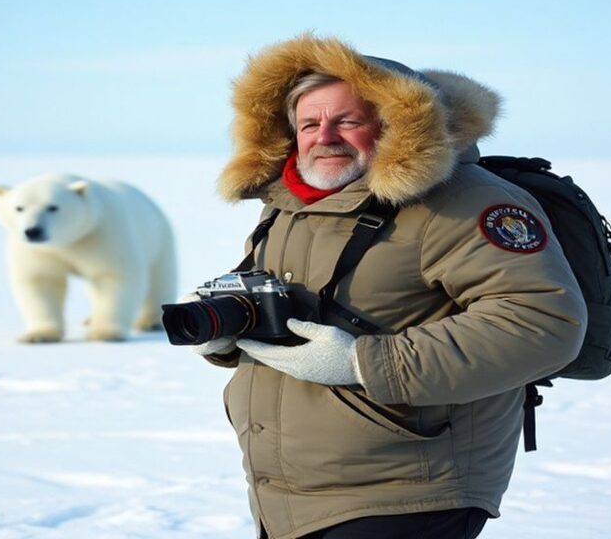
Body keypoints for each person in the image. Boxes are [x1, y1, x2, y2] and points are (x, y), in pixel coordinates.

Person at [191, 35, 587, 539]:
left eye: (347, 121)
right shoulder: (289, 206)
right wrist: (229, 333)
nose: (324, 136)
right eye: (309, 124)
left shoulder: (464, 202)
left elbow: (543, 323)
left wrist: (363, 363)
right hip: (290, 497)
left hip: (410, 490)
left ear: (395, 122)